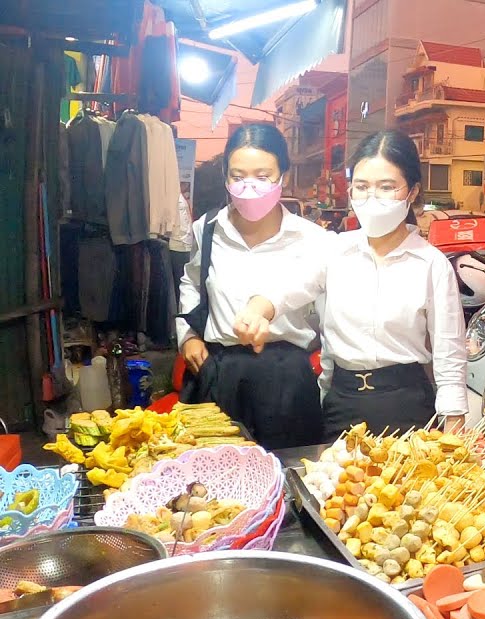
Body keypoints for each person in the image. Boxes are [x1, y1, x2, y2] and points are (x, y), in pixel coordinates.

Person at [233, 130, 467, 440]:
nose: (372, 197)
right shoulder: (335, 250)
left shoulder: (431, 264)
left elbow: (449, 354)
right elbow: (290, 286)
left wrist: (454, 427)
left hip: (407, 404)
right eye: (362, 186)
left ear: (412, 192)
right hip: (342, 402)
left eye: (386, 187)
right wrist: (257, 310)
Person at [176, 123, 328, 450]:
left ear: (283, 175)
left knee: (288, 471)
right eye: (238, 176)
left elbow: (325, 312)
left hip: (287, 379)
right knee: (215, 472)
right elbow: (191, 282)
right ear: (225, 177)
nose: (250, 186)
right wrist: (187, 336)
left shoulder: (312, 239)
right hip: (220, 373)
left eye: (263, 176)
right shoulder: (208, 229)